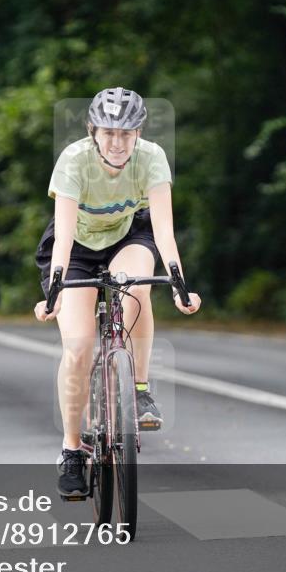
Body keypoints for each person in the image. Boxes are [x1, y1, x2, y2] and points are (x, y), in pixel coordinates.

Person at [33, 87, 201, 498]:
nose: (117, 142)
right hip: (75, 250)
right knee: (78, 346)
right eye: (108, 132)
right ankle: (72, 451)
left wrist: (179, 283)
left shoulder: (151, 158)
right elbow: (65, 235)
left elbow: (163, 230)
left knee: (137, 288)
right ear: (93, 130)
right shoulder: (74, 161)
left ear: (138, 132)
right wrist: (54, 292)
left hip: (127, 238)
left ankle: (140, 391)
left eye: (126, 133)